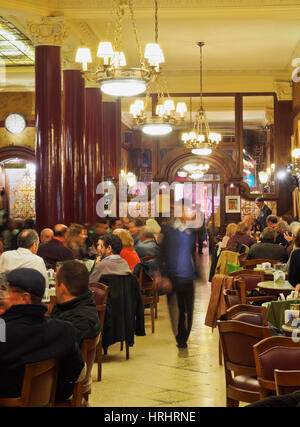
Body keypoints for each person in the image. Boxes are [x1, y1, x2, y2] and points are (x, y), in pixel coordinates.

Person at [0, 268, 85, 401]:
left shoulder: (3, 332)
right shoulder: (62, 330)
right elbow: (79, 374)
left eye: (6, 290)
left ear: (24, 298)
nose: (2, 295)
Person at [157, 212, 196, 349]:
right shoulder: (168, 231)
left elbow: (192, 253)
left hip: (188, 276)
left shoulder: (191, 231)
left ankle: (184, 334)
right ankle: (180, 337)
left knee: (189, 310)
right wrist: (163, 276)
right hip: (173, 277)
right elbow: (161, 254)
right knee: (177, 309)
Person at [50, 260, 100, 346]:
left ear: (62, 288)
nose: (54, 286)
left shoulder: (78, 321)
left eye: (55, 282)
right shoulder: (82, 305)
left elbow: (51, 348)